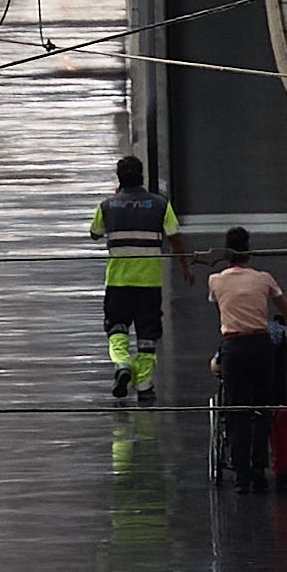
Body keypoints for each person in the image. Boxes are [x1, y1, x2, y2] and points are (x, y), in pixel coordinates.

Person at [206, 226, 287, 484]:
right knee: (261, 408)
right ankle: (259, 468)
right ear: (249, 252)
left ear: (226, 254)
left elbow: (220, 305)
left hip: (233, 347)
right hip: (261, 346)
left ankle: (241, 475)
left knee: (237, 410)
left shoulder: (215, 281)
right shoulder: (264, 279)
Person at [94, 153, 180, 402]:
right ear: (142, 176)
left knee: (116, 328)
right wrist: (185, 266)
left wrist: (116, 197)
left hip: (118, 282)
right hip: (149, 282)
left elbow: (95, 233)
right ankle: (144, 384)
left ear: (119, 179)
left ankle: (122, 364)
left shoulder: (107, 205)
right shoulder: (160, 204)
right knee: (147, 334)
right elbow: (175, 236)